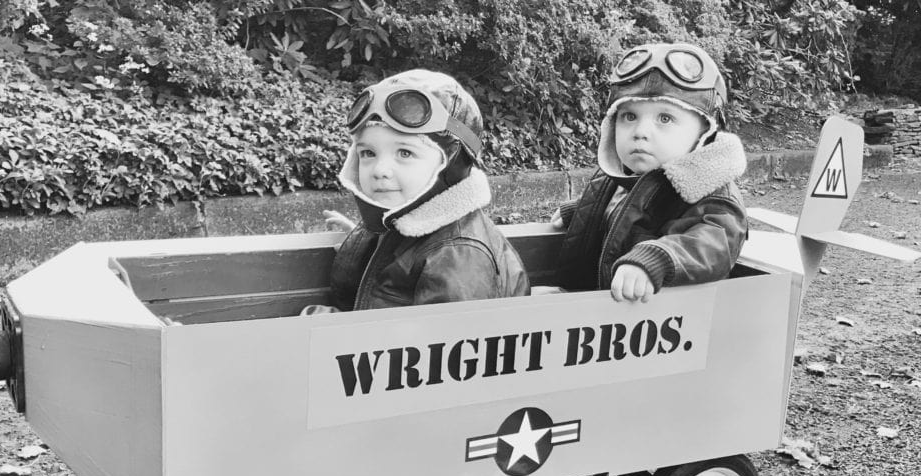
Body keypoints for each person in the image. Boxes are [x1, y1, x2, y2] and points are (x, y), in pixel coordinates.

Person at [304, 69, 529, 314]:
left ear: (452, 164)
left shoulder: (459, 258)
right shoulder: (403, 216)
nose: (380, 170)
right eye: (368, 153)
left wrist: (322, 324)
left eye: (405, 153)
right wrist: (374, 246)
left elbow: (432, 349)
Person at [551, 42, 748, 303]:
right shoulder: (618, 177)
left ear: (705, 133)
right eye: (629, 117)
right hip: (597, 313)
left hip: (662, 328)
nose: (640, 132)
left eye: (664, 119)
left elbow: (714, 243)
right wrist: (584, 210)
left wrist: (657, 257)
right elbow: (630, 207)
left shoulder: (713, 196)